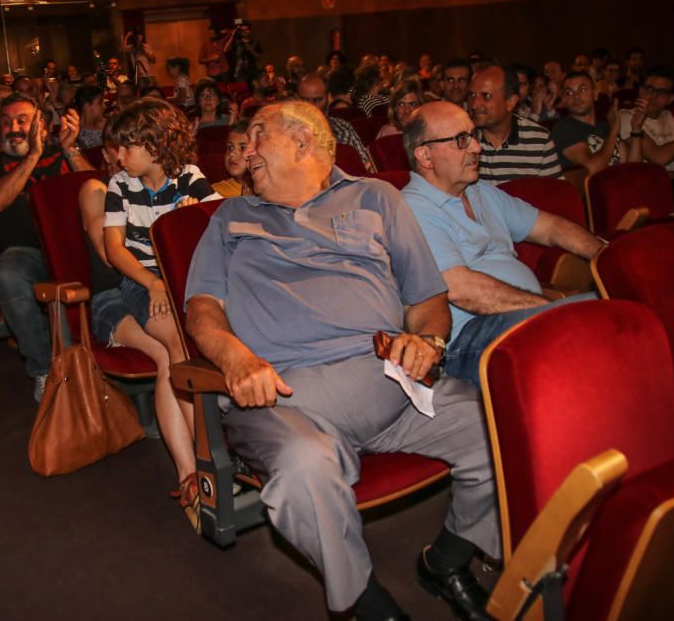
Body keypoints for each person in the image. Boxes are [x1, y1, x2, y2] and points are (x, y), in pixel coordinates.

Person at [185, 100, 498, 621]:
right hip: (285, 397)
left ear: (304, 143)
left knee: (499, 429)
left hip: (395, 386)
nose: (244, 148)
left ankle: (447, 561)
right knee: (306, 467)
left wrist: (429, 344)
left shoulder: (377, 198)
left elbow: (426, 301)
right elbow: (202, 308)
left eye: (259, 135)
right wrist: (234, 358)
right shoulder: (231, 216)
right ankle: (366, 603)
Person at [401, 101, 602, 387]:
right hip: (469, 338)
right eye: (461, 140)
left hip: (518, 317)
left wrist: (607, 256)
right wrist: (548, 311)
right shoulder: (413, 208)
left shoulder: (480, 191)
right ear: (425, 156)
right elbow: (460, 289)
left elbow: (551, 228)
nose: (476, 148)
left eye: (473, 136)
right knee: (588, 322)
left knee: (615, 304)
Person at [102, 99, 222, 528]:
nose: (119, 156)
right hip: (142, 283)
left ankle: (199, 466)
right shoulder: (119, 184)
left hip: (186, 284)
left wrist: (197, 219)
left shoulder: (190, 179)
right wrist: (152, 282)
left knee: (183, 353)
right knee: (177, 346)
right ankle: (198, 467)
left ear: (153, 145)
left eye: (126, 146)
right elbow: (115, 251)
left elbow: (221, 224)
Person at [0, 92, 93, 401]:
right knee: (9, 275)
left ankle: (106, 356)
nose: (14, 128)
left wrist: (71, 148)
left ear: (41, 123)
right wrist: (32, 157)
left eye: (23, 120)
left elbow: (100, 191)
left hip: (74, 248)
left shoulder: (62, 153)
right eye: (6, 121)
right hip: (27, 253)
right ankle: (44, 369)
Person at [469, 65, 561, 183]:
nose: (474, 104)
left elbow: (555, 195)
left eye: (486, 96)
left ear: (510, 102)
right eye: (472, 95)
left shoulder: (539, 140)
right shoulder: (461, 139)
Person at [551, 71, 644, 173]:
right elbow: (592, 168)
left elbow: (633, 168)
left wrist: (636, 129)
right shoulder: (563, 128)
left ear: (595, 95)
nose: (576, 96)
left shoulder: (605, 126)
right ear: (563, 100)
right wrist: (613, 132)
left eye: (582, 90)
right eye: (569, 92)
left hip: (619, 185)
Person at [296, 74, 375, 172]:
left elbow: (365, 166)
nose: (311, 106)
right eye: (304, 100)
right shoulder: (286, 132)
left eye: (317, 100)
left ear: (329, 98)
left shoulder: (343, 128)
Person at [210, 120, 252, 197]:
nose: (232, 153)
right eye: (230, 147)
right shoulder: (214, 192)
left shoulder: (270, 191)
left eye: (242, 148)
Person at [74, 84, 106, 149]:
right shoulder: (73, 130)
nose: (104, 107)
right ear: (87, 106)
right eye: (100, 103)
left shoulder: (106, 126)